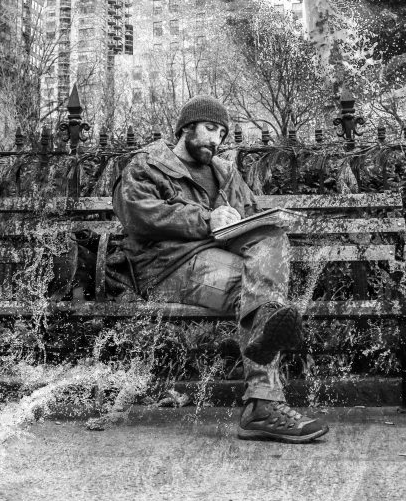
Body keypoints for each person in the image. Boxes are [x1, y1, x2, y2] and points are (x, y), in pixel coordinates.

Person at [113, 95, 329, 444]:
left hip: (221, 256)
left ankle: (263, 394)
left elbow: (249, 214)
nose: (216, 140)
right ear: (186, 127)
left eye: (222, 134)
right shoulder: (148, 164)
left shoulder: (225, 171)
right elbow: (136, 213)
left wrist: (250, 221)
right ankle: (262, 406)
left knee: (270, 245)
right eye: (210, 129)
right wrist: (205, 218)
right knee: (258, 295)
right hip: (169, 265)